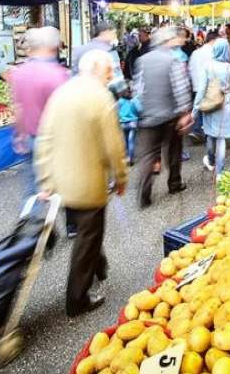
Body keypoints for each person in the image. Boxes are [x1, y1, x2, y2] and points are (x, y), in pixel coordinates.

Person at [35, 50, 128, 317]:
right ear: (98, 69)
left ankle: (100, 266)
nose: (111, 74)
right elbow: (114, 146)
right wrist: (121, 177)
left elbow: (45, 139)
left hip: (61, 182)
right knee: (88, 237)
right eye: (109, 69)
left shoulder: (61, 93)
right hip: (88, 184)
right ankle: (77, 299)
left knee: (87, 230)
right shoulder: (101, 98)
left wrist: (45, 180)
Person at [133, 27, 193, 208]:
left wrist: (142, 109)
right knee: (173, 152)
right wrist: (185, 113)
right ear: (167, 42)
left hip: (147, 117)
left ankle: (144, 194)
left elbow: (138, 89)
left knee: (147, 157)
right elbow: (180, 89)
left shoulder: (142, 60)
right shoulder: (173, 60)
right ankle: (174, 183)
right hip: (170, 115)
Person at [9, 27, 69, 200]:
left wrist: (19, 134)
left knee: (32, 188)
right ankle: (69, 226)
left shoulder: (18, 73)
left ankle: (32, 223)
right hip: (52, 142)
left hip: (28, 137)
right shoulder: (58, 74)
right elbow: (64, 113)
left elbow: (17, 108)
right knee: (62, 188)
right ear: (51, 46)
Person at [193, 39, 230, 178]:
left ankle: (210, 160)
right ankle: (220, 172)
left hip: (211, 104)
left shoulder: (207, 66)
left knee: (210, 135)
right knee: (221, 138)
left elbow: (201, 90)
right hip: (226, 104)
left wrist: (195, 109)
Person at [71, 21, 126, 96]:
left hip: (80, 97)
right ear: (106, 32)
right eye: (113, 33)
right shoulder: (110, 51)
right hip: (103, 99)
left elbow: (74, 76)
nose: (114, 36)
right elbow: (118, 84)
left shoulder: (78, 50)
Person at [188, 31, 218, 142]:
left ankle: (197, 130)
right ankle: (206, 133)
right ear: (214, 40)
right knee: (209, 110)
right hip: (210, 86)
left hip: (196, 86)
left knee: (198, 108)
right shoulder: (214, 53)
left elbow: (189, 69)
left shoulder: (195, 53)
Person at [117, 86, 140, 165]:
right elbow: (139, 109)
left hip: (123, 123)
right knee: (131, 141)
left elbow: (117, 112)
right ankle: (130, 158)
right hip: (133, 123)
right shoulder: (133, 100)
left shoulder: (120, 101)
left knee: (126, 141)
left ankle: (127, 157)